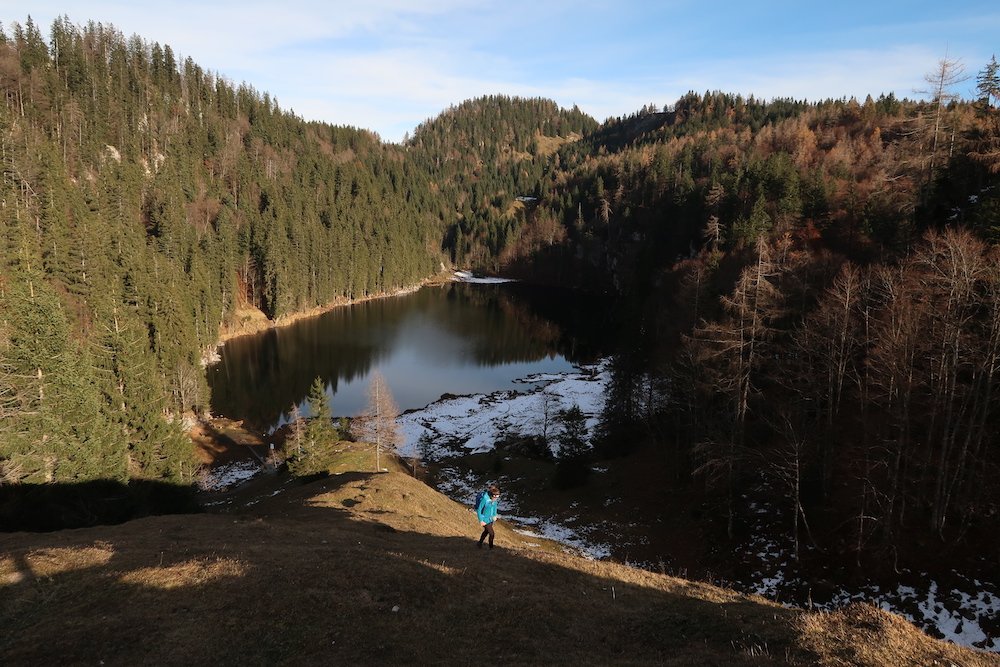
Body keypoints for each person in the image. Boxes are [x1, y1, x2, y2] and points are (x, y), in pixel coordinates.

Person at [476, 484, 501, 549]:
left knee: (486, 531)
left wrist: (495, 515)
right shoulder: (485, 499)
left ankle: (479, 543)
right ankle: (491, 548)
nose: (496, 498)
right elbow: (479, 510)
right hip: (484, 519)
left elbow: (495, 507)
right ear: (491, 494)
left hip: (491, 519)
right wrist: (481, 520)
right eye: (495, 496)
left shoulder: (494, 499)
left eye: (497, 496)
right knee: (492, 533)